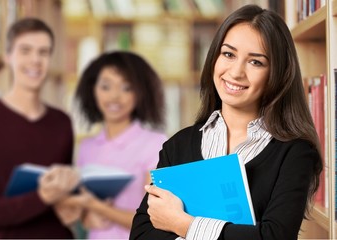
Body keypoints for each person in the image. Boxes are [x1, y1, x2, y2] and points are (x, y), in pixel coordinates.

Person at [129, 4, 323, 240]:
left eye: (256, 62)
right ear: (214, 58)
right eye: (228, 54)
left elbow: (275, 236)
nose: (236, 72)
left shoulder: (295, 153)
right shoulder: (178, 145)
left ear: (277, 74)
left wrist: (183, 224)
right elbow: (141, 234)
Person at [0, 18, 79, 238]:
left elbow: (63, 197)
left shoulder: (62, 122)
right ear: (8, 57)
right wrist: (42, 197)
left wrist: (76, 206)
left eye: (43, 52)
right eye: (25, 50)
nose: (35, 60)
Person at [55, 51, 167, 239]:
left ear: (140, 93)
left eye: (126, 87)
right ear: (92, 89)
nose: (114, 96)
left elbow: (155, 220)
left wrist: (97, 207)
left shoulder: (156, 144)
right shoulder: (87, 147)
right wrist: (85, 216)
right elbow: (81, 212)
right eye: (105, 86)